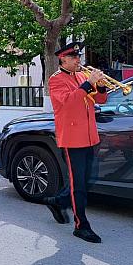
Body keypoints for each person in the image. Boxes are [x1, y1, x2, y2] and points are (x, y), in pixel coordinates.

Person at [41, 42, 108, 244]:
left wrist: (101, 84)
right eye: (74, 57)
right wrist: (88, 83)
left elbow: (101, 100)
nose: (79, 60)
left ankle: (58, 201)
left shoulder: (80, 76)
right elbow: (69, 103)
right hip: (72, 140)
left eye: (78, 57)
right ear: (63, 60)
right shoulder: (56, 81)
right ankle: (81, 225)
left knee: (84, 180)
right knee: (78, 184)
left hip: (90, 137)